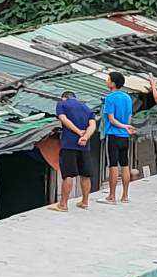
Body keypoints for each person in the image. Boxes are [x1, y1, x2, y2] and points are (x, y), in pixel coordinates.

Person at [54, 88, 96, 211]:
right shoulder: (87, 108)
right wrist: (85, 137)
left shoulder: (61, 104)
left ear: (64, 97)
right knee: (85, 174)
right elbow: (92, 125)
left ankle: (63, 204)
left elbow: (63, 119)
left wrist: (78, 132)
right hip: (84, 146)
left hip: (69, 145)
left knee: (68, 175)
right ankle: (85, 201)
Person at [99, 72, 135, 204]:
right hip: (125, 137)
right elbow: (129, 117)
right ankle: (125, 195)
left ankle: (112, 196)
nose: (106, 81)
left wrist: (123, 126)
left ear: (113, 83)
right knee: (125, 164)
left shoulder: (110, 98)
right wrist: (127, 127)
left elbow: (111, 119)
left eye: (108, 79)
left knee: (113, 165)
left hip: (113, 135)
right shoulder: (127, 98)